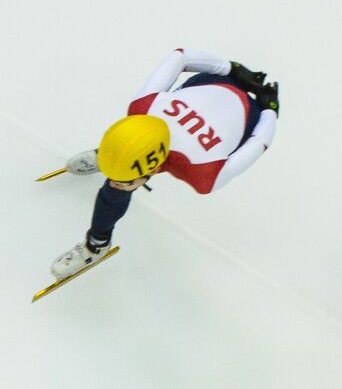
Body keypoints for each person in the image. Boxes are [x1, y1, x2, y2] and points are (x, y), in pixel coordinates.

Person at [50, 48, 279, 279]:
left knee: (113, 193)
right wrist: (231, 69)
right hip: (215, 81)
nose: (116, 181)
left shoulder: (203, 172)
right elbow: (180, 56)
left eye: (124, 179)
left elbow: (258, 141)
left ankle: (97, 244)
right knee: (124, 170)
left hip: (249, 115)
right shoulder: (143, 107)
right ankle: (117, 156)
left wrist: (267, 111)